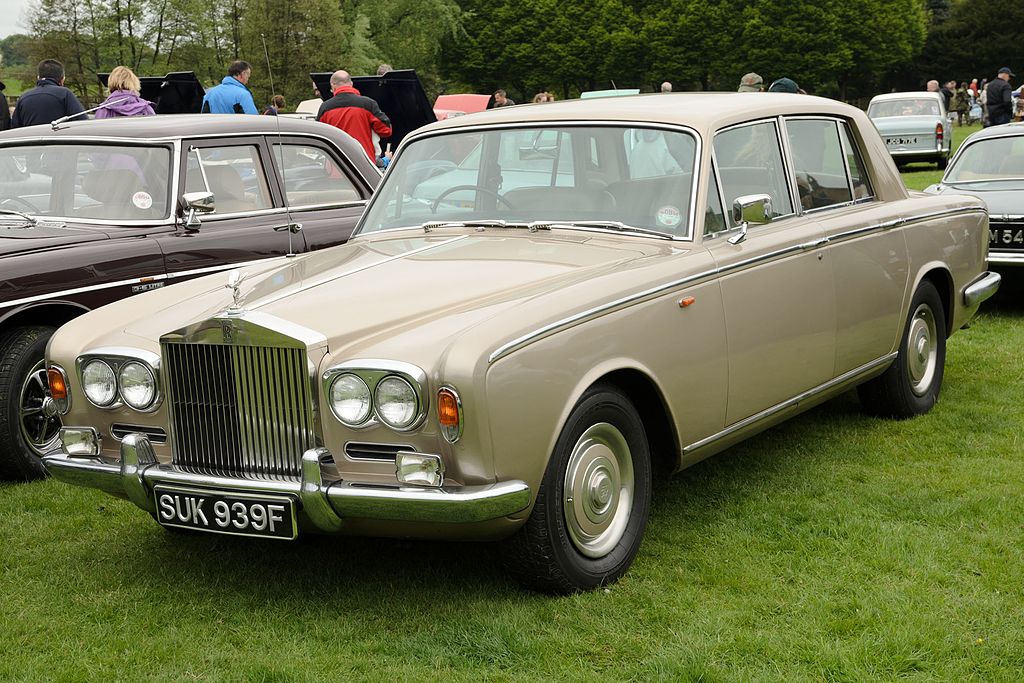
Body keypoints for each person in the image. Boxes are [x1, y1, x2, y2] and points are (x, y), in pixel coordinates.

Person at [316, 69, 392, 164]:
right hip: (363, 164)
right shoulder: (368, 104)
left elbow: (318, 137)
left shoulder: (325, 108)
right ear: (351, 83)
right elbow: (386, 130)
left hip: (336, 165)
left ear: (333, 85)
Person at [11, 59, 85, 128]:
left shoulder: (23, 97)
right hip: (58, 139)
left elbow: (14, 127)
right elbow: (82, 122)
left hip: (30, 139)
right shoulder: (65, 94)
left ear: (38, 77)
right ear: (62, 79)